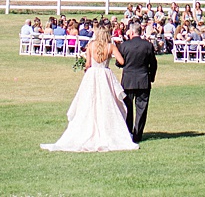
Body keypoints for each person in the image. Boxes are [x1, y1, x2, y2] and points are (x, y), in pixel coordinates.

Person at [41, 22, 138, 152]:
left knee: (89, 102)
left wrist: (87, 68)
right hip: (105, 74)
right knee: (106, 102)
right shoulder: (111, 46)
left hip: (92, 75)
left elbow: (88, 64)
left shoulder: (91, 46)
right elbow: (121, 61)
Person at [117, 23, 158, 143]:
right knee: (141, 109)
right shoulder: (148, 45)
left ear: (132, 32)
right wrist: (151, 77)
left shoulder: (125, 45)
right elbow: (153, 63)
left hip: (128, 80)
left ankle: (128, 132)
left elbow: (119, 63)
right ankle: (138, 134)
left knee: (127, 108)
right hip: (143, 79)